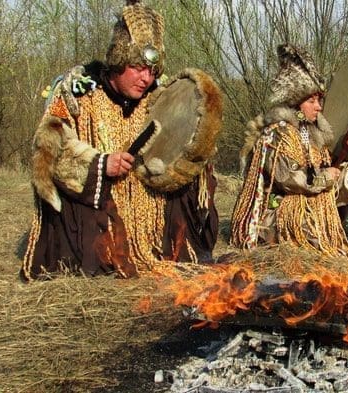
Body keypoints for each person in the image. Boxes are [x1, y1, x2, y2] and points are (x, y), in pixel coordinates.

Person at [20, 0, 218, 281]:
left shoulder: (157, 99)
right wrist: (100, 164)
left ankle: (160, 248)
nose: (146, 78)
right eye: (138, 68)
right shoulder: (78, 95)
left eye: (152, 72)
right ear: (119, 61)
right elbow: (49, 151)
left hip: (149, 215)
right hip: (100, 215)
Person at [230, 44, 348, 255]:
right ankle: (339, 235)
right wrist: (326, 177)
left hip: (309, 195)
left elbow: (318, 166)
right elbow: (289, 180)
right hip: (275, 212)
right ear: (296, 103)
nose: (319, 107)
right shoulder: (276, 135)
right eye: (312, 101)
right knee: (309, 220)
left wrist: (339, 168)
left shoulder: (310, 132)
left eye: (319, 100)